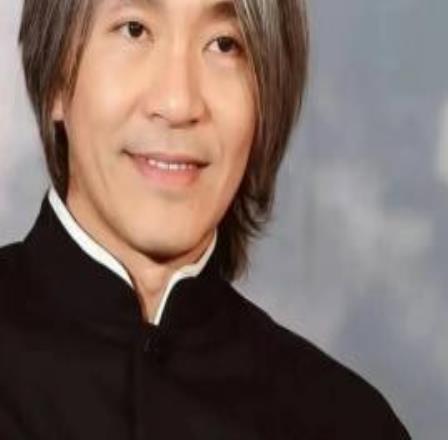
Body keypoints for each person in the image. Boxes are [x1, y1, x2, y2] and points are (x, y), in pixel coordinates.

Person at [0, 0, 410, 438]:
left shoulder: (349, 423)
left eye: (224, 45)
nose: (178, 104)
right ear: (58, 77)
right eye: (135, 30)